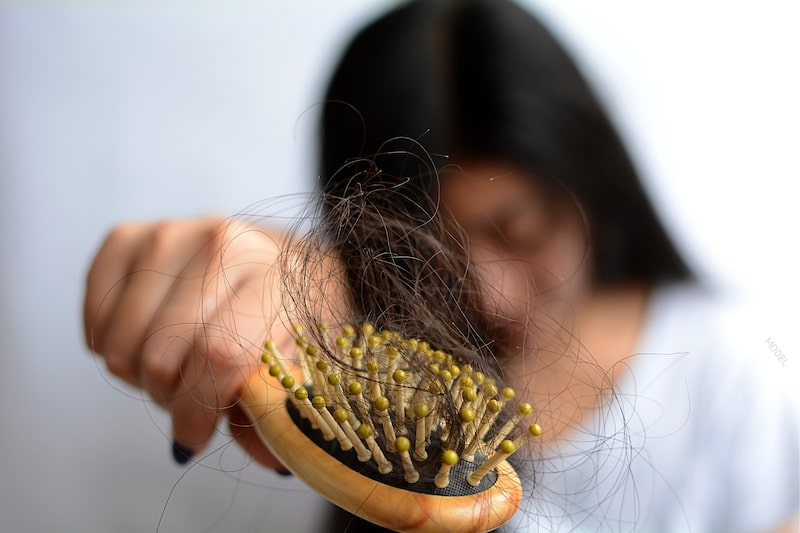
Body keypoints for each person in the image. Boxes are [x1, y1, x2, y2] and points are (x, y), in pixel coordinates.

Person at [83, 0, 798, 531]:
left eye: (516, 228)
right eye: (427, 256)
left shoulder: (744, 373)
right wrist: (284, 281)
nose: (490, 293)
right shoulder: (366, 381)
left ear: (589, 181)